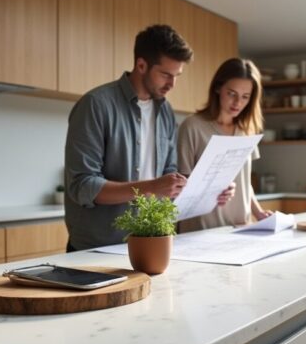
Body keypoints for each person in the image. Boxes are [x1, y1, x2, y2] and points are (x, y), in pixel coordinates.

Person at [64, 25, 197, 250]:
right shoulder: (96, 105)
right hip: (99, 248)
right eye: (165, 74)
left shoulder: (165, 111)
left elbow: (168, 171)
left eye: (177, 76)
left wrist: (192, 188)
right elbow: (83, 186)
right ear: (141, 65)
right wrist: (153, 187)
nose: (172, 84)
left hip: (151, 242)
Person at [177, 58, 272, 232]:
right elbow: (180, 185)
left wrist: (258, 213)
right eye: (232, 94)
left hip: (241, 228)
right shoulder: (192, 127)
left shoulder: (247, 130)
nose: (238, 103)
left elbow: (244, 182)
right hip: (200, 230)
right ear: (218, 88)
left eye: (245, 97)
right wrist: (212, 189)